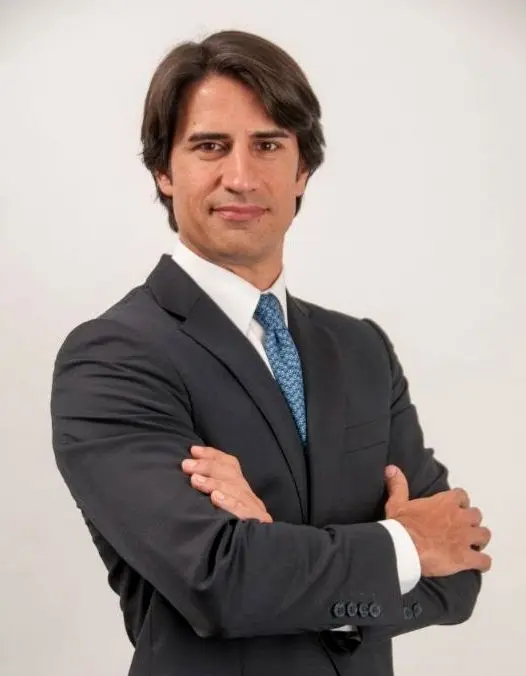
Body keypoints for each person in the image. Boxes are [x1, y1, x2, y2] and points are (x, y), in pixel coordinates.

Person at [50, 29, 492, 676]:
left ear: (302, 169)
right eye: (210, 146)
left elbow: (458, 575)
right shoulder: (113, 357)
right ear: (164, 172)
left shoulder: (361, 350)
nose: (240, 176)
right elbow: (220, 582)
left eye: (267, 145)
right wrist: (402, 547)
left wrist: (277, 549)